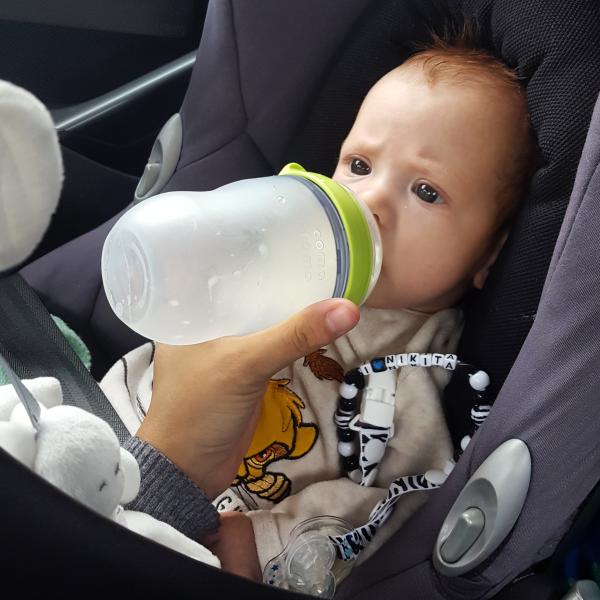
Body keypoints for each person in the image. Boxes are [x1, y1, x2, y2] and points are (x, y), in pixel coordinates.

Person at [105, 30, 540, 581]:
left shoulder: (418, 365)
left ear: (487, 257)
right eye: (359, 165)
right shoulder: (287, 246)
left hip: (207, 531)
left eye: (426, 191)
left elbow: (401, 500)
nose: (370, 200)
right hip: (113, 427)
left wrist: (267, 542)